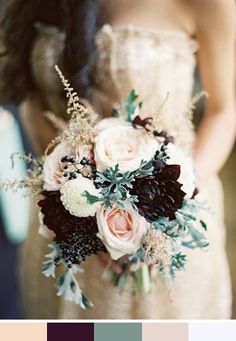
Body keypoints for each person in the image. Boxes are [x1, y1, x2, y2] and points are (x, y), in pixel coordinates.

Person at [0, 0, 235, 319]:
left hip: (172, 220)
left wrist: (165, 215)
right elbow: (32, 98)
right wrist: (76, 205)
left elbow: (224, 111)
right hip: (63, 220)